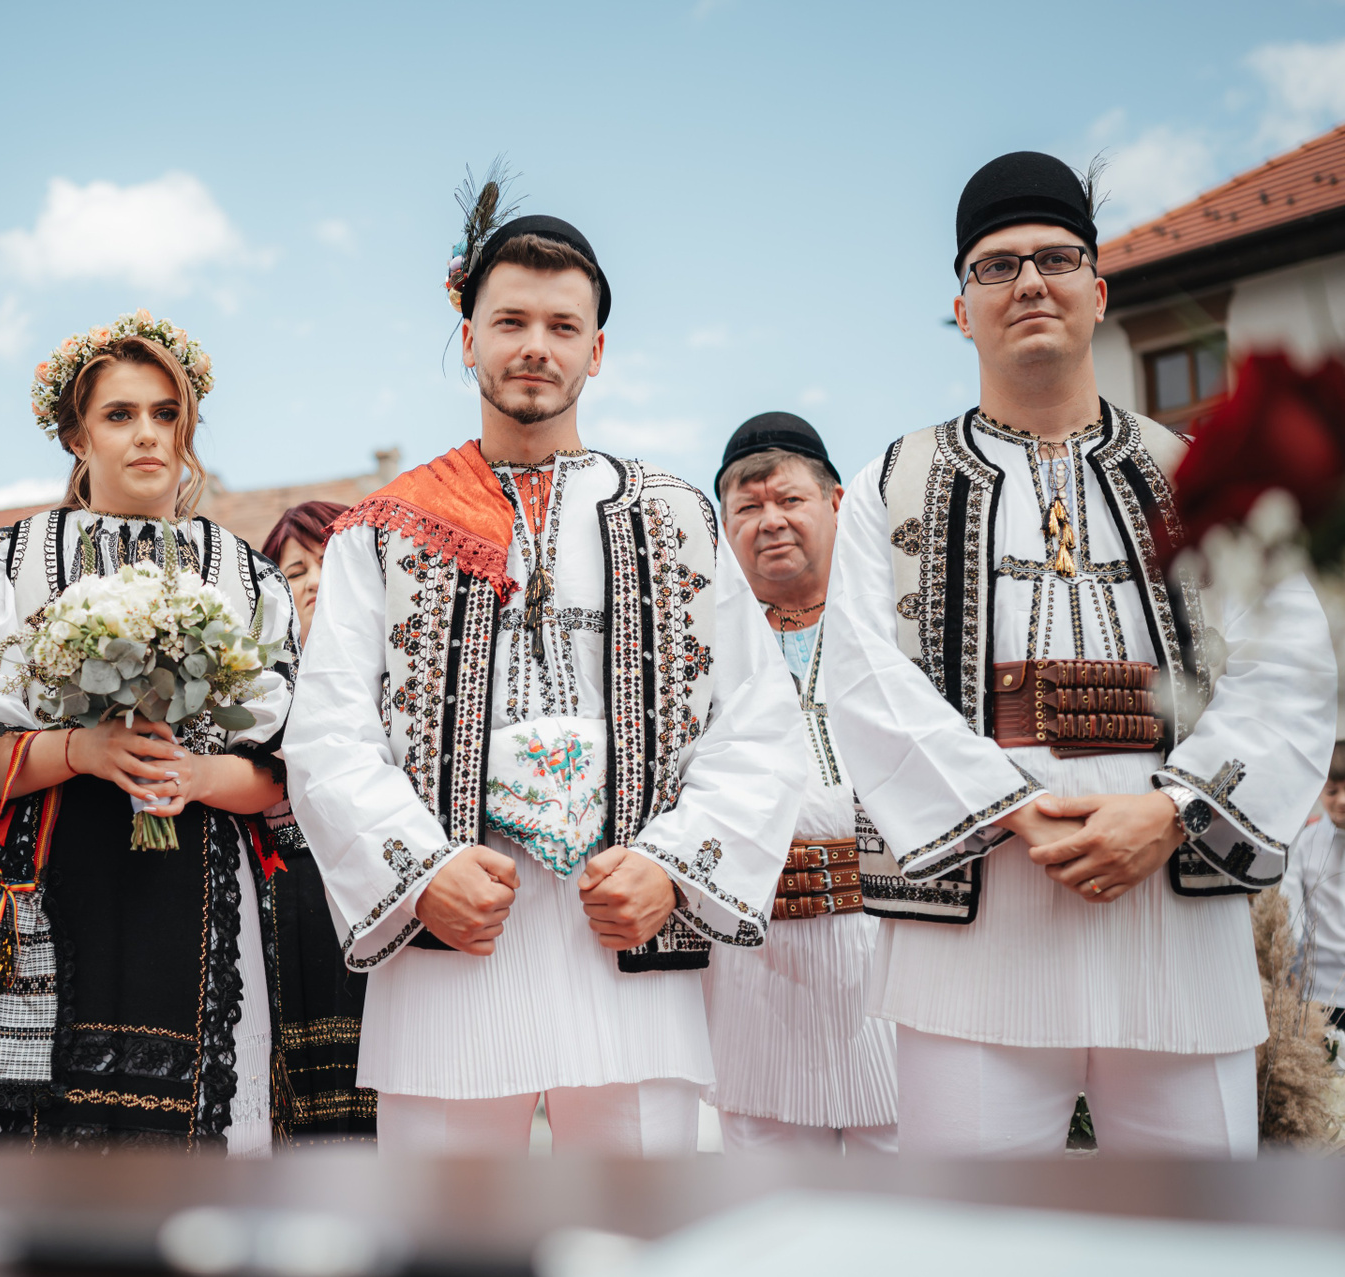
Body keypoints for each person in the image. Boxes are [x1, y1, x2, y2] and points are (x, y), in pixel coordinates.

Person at [825, 152, 1336, 1157]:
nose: (1028, 282)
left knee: (1196, 1226)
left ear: (1098, 293)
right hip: (976, 937)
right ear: (962, 309)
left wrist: (1176, 809)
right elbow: (861, 672)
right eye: (997, 265)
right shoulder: (892, 480)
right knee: (975, 1230)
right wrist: (1010, 806)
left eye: (1056, 258)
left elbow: (1289, 665)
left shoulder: (1198, 473)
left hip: (1175, 925)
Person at [285, 196, 805, 1157]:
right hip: (450, 947)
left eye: (563, 327)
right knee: (444, 1227)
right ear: (468, 338)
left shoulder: (678, 517)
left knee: (641, 1226)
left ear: (595, 351)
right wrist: (419, 872)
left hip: (627, 940)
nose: (536, 346)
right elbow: (326, 732)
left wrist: (671, 864)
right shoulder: (385, 530)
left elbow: (758, 721)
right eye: (511, 322)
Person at [0, 311, 297, 1154]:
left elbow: (287, 764)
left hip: (199, 888)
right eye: (119, 414)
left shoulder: (247, 574)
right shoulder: (13, 558)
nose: (147, 433)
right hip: (42, 881)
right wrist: (82, 750)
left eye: (166, 414)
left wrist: (194, 775)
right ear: (76, 436)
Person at [706, 413, 897, 1153]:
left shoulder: (892, 615)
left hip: (888, 935)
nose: (771, 521)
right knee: (771, 1192)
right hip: (757, 958)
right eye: (747, 508)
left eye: (790, 500)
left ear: (836, 502)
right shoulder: (703, 639)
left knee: (910, 1182)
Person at [256, 501, 376, 1141]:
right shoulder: (256, 689)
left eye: (328, 562)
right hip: (284, 898)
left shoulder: (397, 674)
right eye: (294, 571)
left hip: (372, 892)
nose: (313, 581)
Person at [1283, 744, 1345, 1050]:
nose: (1342, 801)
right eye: (1332, 791)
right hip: (1318, 994)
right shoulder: (1306, 842)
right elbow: (1291, 911)